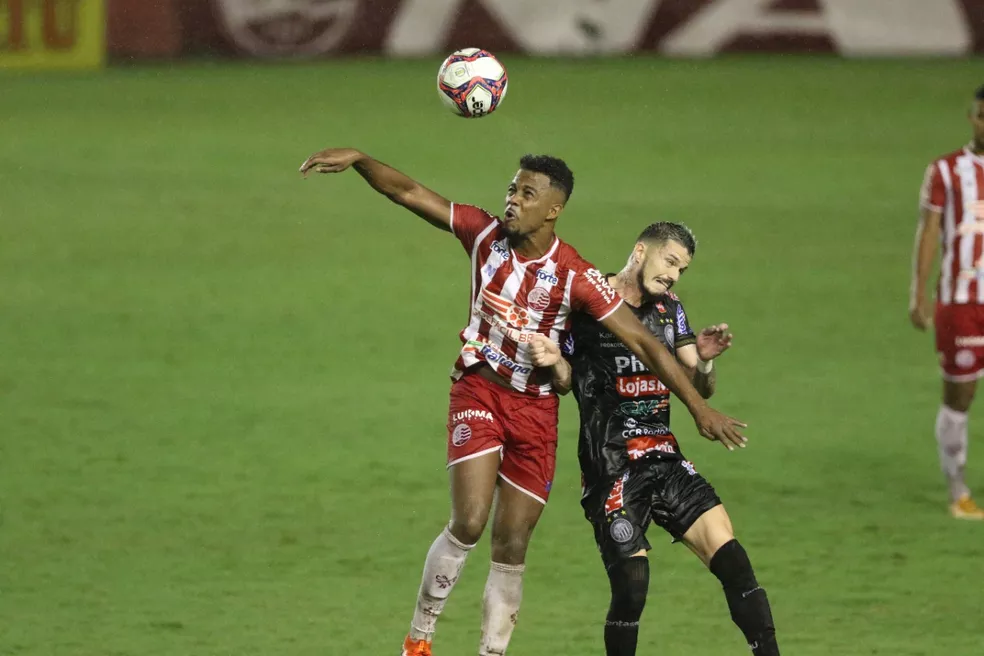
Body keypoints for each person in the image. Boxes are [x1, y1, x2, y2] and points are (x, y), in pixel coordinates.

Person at [298, 149, 747, 656]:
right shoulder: (482, 234)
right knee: (469, 520)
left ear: (552, 209)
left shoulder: (577, 276)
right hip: (480, 391)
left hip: (535, 411)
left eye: (526, 194)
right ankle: (419, 640)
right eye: (512, 189)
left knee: (511, 544)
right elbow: (409, 192)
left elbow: (645, 343)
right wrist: (360, 159)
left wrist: (697, 406)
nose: (512, 200)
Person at [528, 222, 778, 655]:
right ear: (641, 251)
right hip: (611, 465)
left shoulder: (670, 310)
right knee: (632, 586)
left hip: (664, 458)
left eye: (682, 269)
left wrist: (703, 362)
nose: (674, 275)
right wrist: (554, 361)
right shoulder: (589, 303)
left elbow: (700, 387)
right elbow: (567, 381)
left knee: (735, 562)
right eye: (670, 262)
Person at [910, 83, 984, 519]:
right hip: (962, 301)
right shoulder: (946, 170)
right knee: (960, 395)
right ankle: (958, 491)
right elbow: (930, 231)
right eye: (979, 115)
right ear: (971, 117)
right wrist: (917, 291)